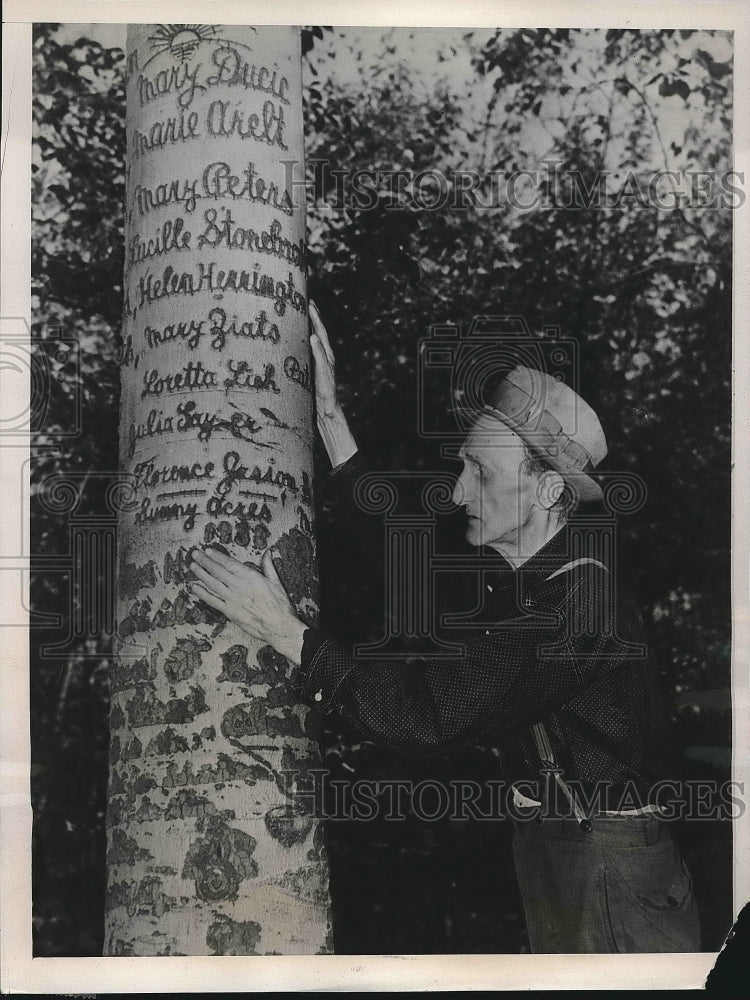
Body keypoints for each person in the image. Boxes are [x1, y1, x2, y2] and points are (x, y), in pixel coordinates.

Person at [189, 303, 701, 954]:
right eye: (465, 465)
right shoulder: (527, 572)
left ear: (547, 492)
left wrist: (283, 631)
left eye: (481, 472)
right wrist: (331, 425)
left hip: (611, 872)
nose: (459, 491)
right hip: (559, 852)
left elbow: (430, 716)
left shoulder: (580, 605)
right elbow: (418, 580)